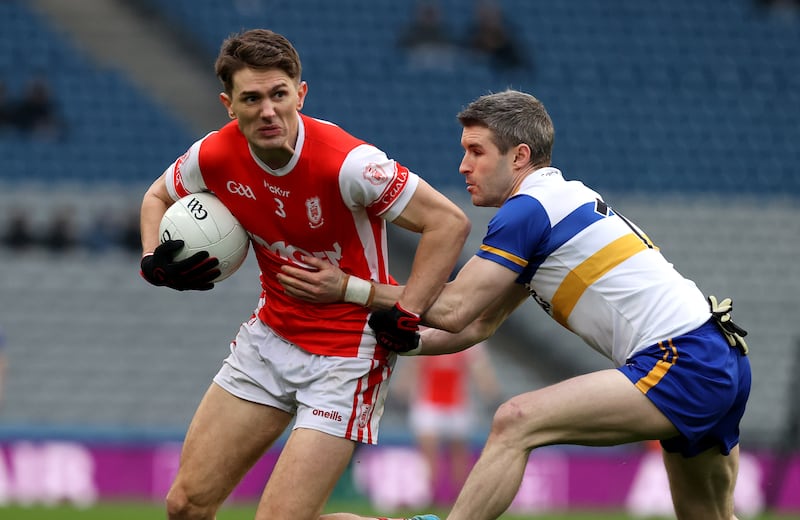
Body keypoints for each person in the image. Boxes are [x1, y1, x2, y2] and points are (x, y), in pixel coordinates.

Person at [279, 90, 752, 520]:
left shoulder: (528, 210)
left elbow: (452, 308)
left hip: (683, 361)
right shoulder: (561, 199)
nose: (463, 165)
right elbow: (478, 324)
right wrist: (403, 343)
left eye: (476, 151)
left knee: (515, 420)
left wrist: (348, 289)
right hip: (717, 354)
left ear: (520, 156)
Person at [138, 29, 470, 520]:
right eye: (252, 98)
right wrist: (153, 260)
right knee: (185, 505)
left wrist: (407, 310)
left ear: (301, 93)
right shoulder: (214, 155)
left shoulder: (350, 163)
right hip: (270, 339)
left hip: (347, 356)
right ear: (230, 104)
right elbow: (157, 197)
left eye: (279, 94)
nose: (268, 110)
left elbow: (448, 222)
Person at [404, 342, 500, 507]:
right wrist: (403, 391)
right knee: (429, 454)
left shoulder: (468, 342)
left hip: (457, 405)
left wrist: (489, 392)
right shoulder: (426, 337)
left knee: (459, 456)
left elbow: (480, 369)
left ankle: (459, 499)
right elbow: (413, 367)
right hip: (428, 405)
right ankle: (430, 495)